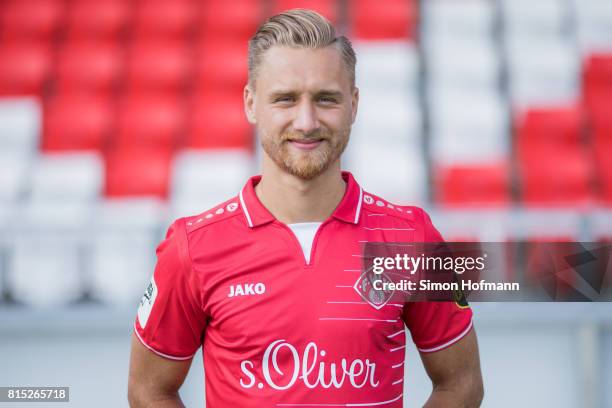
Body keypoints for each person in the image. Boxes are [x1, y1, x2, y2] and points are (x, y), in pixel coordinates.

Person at [128, 9, 483, 408]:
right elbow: (149, 390)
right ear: (250, 103)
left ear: (353, 104)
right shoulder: (192, 246)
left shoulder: (412, 238)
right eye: (285, 99)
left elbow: (462, 383)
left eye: (325, 99)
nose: (306, 120)